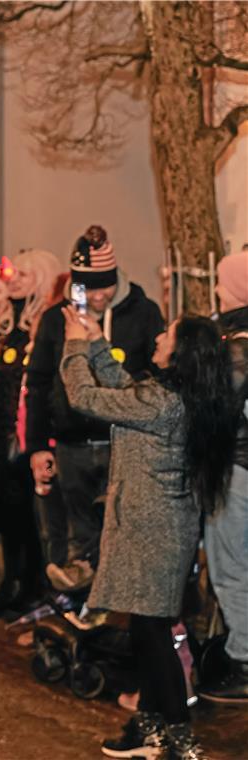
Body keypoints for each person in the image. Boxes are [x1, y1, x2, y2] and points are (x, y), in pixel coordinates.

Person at [59, 310, 236, 760]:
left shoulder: (161, 403)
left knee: (151, 634)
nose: (158, 337)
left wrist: (76, 345)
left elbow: (84, 396)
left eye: (167, 334)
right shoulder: (176, 396)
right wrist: (98, 340)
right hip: (160, 527)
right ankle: (150, 725)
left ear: (181, 353)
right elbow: (124, 390)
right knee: (148, 627)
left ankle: (178, 733)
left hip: (149, 530)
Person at [25, 225, 163, 593]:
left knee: (122, 536)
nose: (99, 296)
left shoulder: (144, 312)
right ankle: (83, 611)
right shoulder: (58, 319)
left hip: (122, 444)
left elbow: (153, 381)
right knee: (78, 536)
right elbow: (38, 384)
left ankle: (120, 617)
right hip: (72, 445)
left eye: (106, 286)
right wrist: (37, 445)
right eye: (90, 287)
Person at [0, 249, 63, 618]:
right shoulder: (12, 332)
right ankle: (12, 581)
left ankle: (34, 589)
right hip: (3, 440)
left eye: (24, 275)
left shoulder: (48, 329)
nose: (13, 280)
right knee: (9, 514)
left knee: (33, 521)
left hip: (31, 443)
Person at [198, 248, 248, 704]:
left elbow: (221, 413)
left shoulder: (235, 344)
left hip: (236, 469)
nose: (215, 289)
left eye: (221, 281)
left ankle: (243, 659)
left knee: (231, 567)